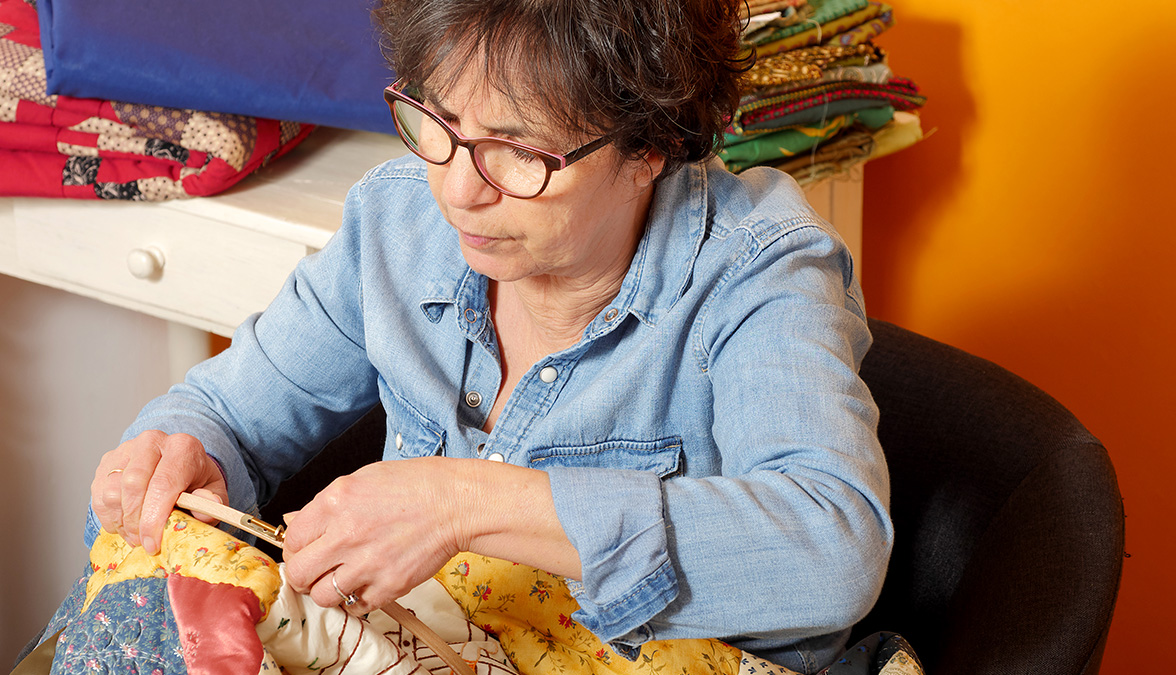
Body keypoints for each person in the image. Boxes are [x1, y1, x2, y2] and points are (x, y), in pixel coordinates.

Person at [88, 0, 892, 671]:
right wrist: (177, 451)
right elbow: (226, 415)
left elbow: (832, 547)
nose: (459, 190)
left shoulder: (760, 266)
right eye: (437, 120)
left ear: (652, 145)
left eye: (516, 151)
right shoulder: (398, 223)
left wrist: (465, 500)